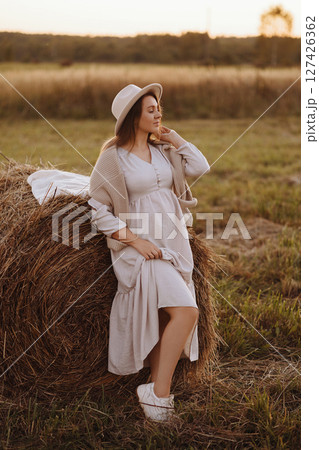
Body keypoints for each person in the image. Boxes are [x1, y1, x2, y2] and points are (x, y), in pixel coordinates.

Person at [88, 83, 210, 422]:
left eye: (159, 108)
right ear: (133, 117)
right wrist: (133, 241)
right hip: (143, 249)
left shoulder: (163, 151)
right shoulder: (113, 159)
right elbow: (98, 209)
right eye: (151, 110)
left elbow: (200, 167)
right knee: (186, 312)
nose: (158, 114)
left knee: (166, 316)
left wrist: (177, 140)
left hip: (173, 242)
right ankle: (157, 395)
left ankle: (159, 392)